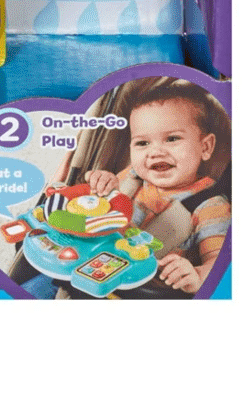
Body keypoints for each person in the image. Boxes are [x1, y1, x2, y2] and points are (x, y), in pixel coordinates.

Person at [85, 82, 230, 294]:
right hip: (96, 267)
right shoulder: (132, 176)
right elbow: (101, 209)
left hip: (145, 293)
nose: (155, 152)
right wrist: (103, 184)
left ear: (205, 147)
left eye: (172, 139)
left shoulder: (210, 205)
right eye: (142, 143)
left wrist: (198, 275)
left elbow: (219, 262)